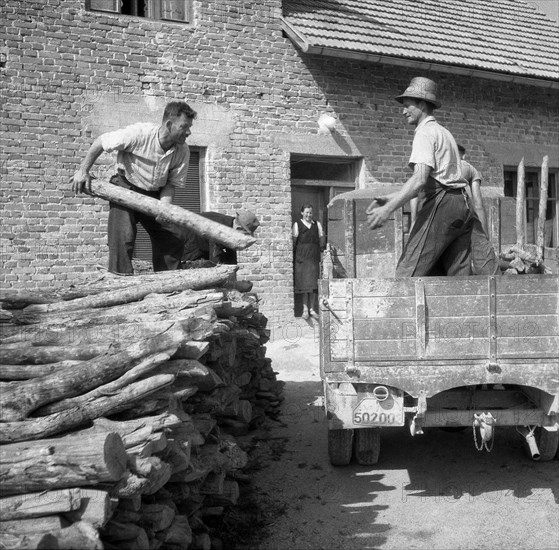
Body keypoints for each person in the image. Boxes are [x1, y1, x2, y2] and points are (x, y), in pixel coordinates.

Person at [70, 101, 197, 275]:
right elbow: (101, 142)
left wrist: (164, 207)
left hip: (154, 194)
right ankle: (120, 281)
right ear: (169, 124)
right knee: (122, 237)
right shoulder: (139, 134)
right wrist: (83, 171)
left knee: (173, 236)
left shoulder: (182, 151)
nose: (189, 132)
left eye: (190, 126)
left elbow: (171, 183)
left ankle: (167, 281)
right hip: (126, 188)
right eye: (184, 127)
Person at [367, 77, 474, 277]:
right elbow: (439, 175)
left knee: (408, 272)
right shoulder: (444, 133)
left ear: (422, 105)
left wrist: (388, 210)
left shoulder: (424, 133)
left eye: (408, 106)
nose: (403, 111)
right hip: (462, 205)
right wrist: (394, 196)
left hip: (442, 207)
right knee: (456, 279)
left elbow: (420, 179)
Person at [457, 144, 499, 275]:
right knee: (483, 252)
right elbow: (478, 204)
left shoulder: (438, 167)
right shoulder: (468, 168)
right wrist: (484, 236)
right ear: (463, 155)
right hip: (461, 208)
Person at [181, 210, 260, 265]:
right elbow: (215, 259)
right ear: (239, 228)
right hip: (190, 244)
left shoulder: (230, 227)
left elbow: (231, 255)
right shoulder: (221, 229)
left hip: (201, 245)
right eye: (244, 234)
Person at [293, 204, 325, 319]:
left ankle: (312, 309)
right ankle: (305, 310)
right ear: (302, 213)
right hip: (301, 258)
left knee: (313, 286)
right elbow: (294, 241)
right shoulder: (297, 225)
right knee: (303, 285)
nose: (309, 215)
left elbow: (321, 240)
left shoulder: (317, 225)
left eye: (310, 213)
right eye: (306, 212)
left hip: (313, 258)